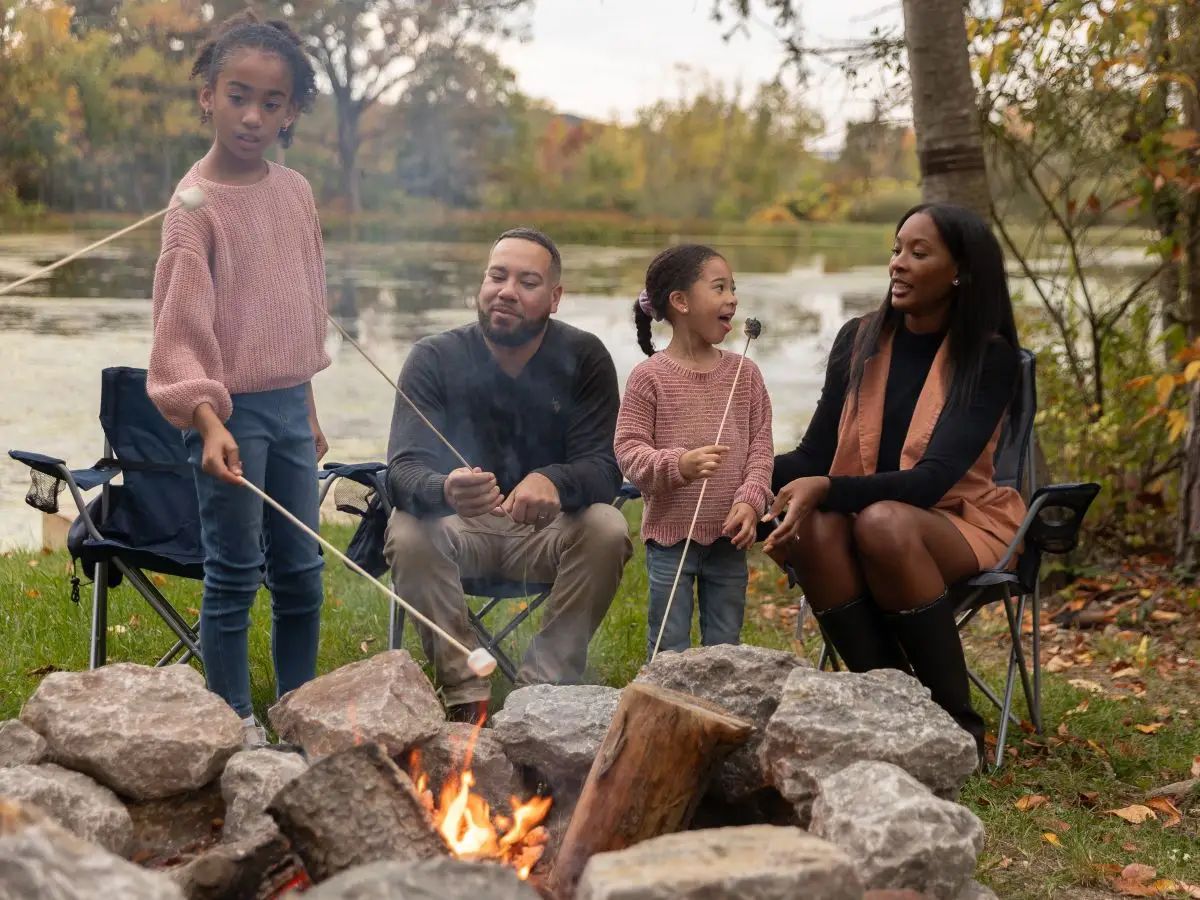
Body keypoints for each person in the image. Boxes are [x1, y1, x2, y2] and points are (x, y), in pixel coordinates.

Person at [763, 203, 1024, 758]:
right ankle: (892, 715)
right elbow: (814, 453)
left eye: (918, 252)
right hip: (868, 519)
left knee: (880, 524)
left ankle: (959, 730)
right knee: (817, 529)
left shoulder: (988, 358)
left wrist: (828, 489)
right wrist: (739, 471)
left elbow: (930, 484)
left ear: (960, 271)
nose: (898, 264)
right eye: (895, 248)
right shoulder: (858, 340)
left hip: (961, 520)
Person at [146, 10, 327, 745]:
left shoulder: (297, 193)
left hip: (288, 410)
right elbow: (179, 338)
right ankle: (236, 723)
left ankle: (298, 711)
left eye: (271, 102)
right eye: (238, 95)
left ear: (290, 112)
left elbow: (303, 311)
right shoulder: (192, 211)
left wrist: (308, 406)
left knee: (304, 572)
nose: (253, 116)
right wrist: (209, 421)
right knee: (233, 573)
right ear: (208, 97)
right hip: (229, 417)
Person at [383, 227, 633, 722]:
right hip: (458, 530)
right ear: (481, 283)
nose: (507, 291)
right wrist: (444, 488)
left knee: (607, 527)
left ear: (555, 297)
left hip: (546, 535)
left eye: (528, 281)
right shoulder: (434, 357)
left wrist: (554, 481)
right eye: (497, 276)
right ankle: (466, 692)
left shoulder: (585, 358)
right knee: (408, 530)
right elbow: (401, 472)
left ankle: (540, 693)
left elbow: (605, 470)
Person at [614, 245, 773, 658]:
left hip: (729, 538)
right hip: (670, 539)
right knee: (669, 644)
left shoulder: (746, 374)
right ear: (680, 302)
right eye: (719, 288)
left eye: (733, 288)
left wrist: (751, 501)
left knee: (725, 646)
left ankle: (717, 716)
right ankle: (667, 714)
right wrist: (677, 465)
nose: (732, 298)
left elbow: (761, 450)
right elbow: (628, 452)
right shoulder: (649, 378)